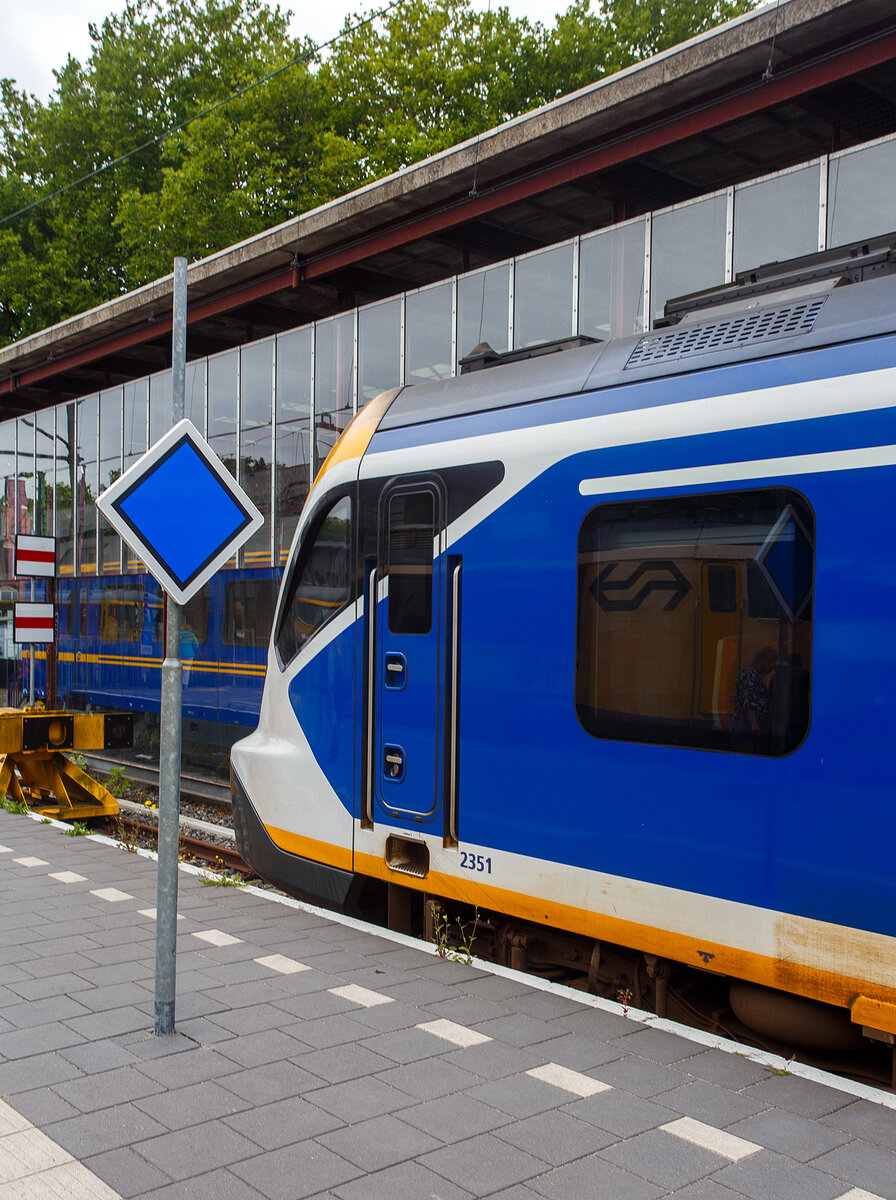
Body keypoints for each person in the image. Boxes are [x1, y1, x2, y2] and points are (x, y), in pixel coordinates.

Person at [730, 645, 777, 752]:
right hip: (745, 728)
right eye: (771, 664)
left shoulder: (756, 676)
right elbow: (748, 701)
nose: (772, 669)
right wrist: (754, 724)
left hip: (750, 728)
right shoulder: (749, 674)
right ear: (764, 661)